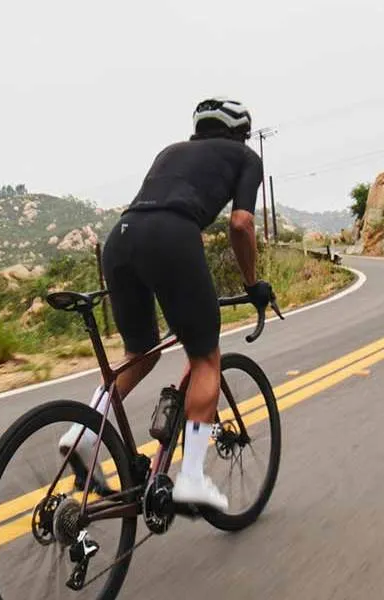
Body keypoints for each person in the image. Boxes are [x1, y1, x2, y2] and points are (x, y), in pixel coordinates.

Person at [58, 97, 274, 512]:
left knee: (140, 353)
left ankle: (82, 434)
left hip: (121, 237)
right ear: (240, 132)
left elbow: (158, 211)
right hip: (170, 236)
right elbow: (241, 223)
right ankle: (191, 476)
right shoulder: (245, 157)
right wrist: (252, 283)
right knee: (206, 357)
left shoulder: (170, 152)